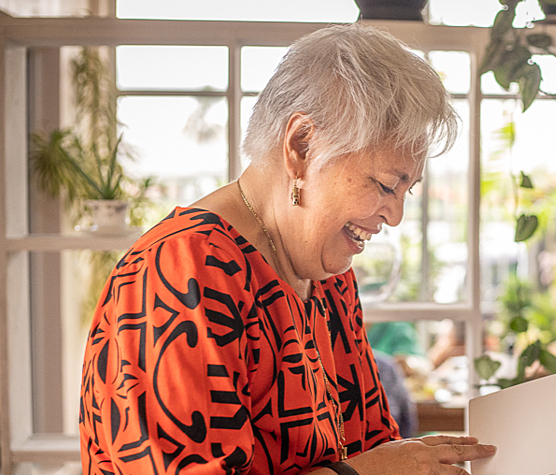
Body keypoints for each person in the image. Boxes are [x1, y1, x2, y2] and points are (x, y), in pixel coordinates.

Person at [79, 24, 495, 475]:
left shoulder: (329, 278)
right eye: (383, 185)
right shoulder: (182, 272)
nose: (394, 216)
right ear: (301, 146)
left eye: (406, 190)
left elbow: (372, 446)